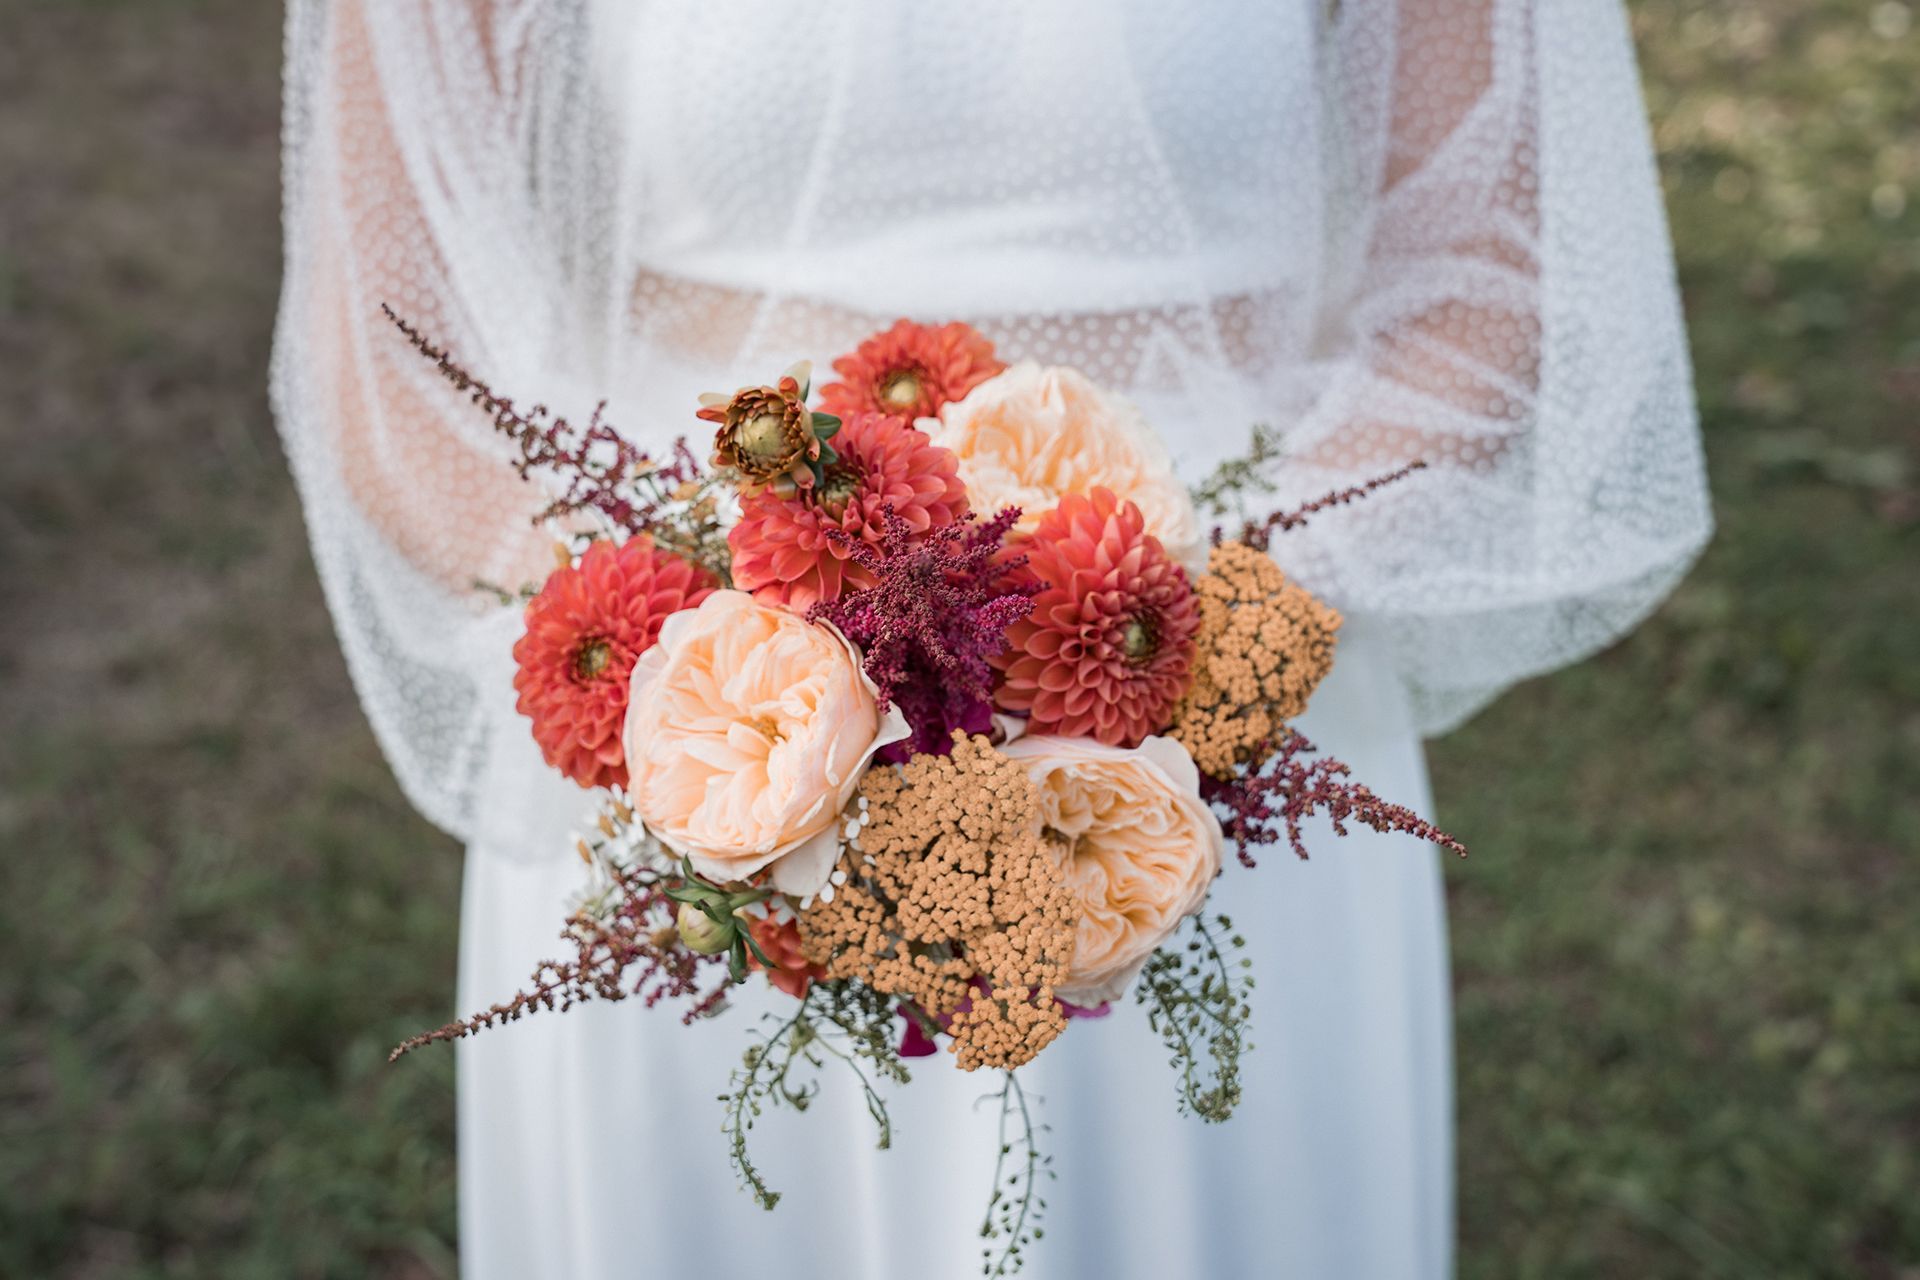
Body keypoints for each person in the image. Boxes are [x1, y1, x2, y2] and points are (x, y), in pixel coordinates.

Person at [272, 1, 1711, 1275]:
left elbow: (1485, 291)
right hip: (712, 734)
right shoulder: (697, 675)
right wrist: (677, 632)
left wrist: (1170, 650)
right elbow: (391, 341)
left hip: (1200, 733)